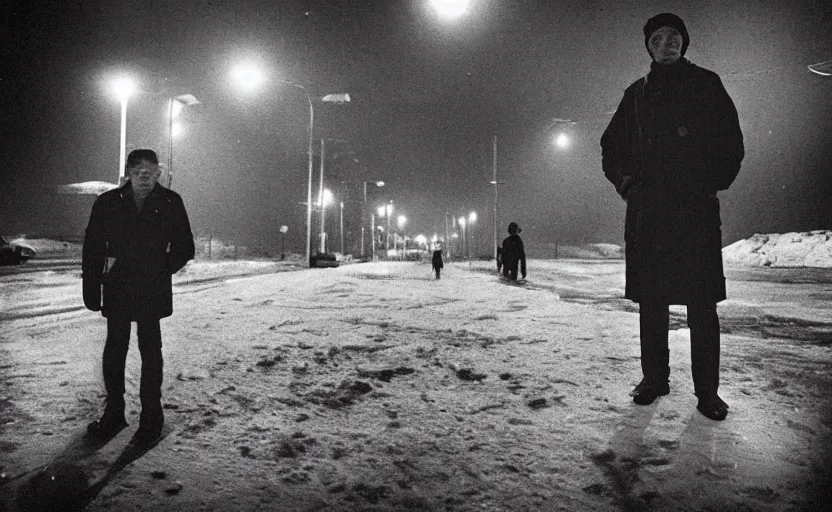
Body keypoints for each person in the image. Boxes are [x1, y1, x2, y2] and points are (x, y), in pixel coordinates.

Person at [600, 13, 744, 421]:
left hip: (695, 212)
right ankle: (654, 379)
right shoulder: (636, 94)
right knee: (652, 302)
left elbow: (731, 143)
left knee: (702, 305)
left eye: (675, 37)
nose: (668, 44)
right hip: (650, 215)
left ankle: (708, 392)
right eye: (659, 38)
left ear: (684, 43)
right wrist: (629, 185)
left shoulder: (707, 84)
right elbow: (611, 146)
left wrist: (709, 182)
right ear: (648, 47)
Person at [83, 149, 195, 442]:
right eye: (137, 170)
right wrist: (92, 288)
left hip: (151, 288)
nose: (143, 175)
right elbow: (93, 247)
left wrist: (160, 269)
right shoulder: (108, 203)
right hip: (118, 286)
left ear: (158, 172)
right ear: (128, 173)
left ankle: (151, 414)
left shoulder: (170, 202)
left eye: (149, 170)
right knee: (115, 349)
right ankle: (114, 412)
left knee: (150, 351)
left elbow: (185, 247)